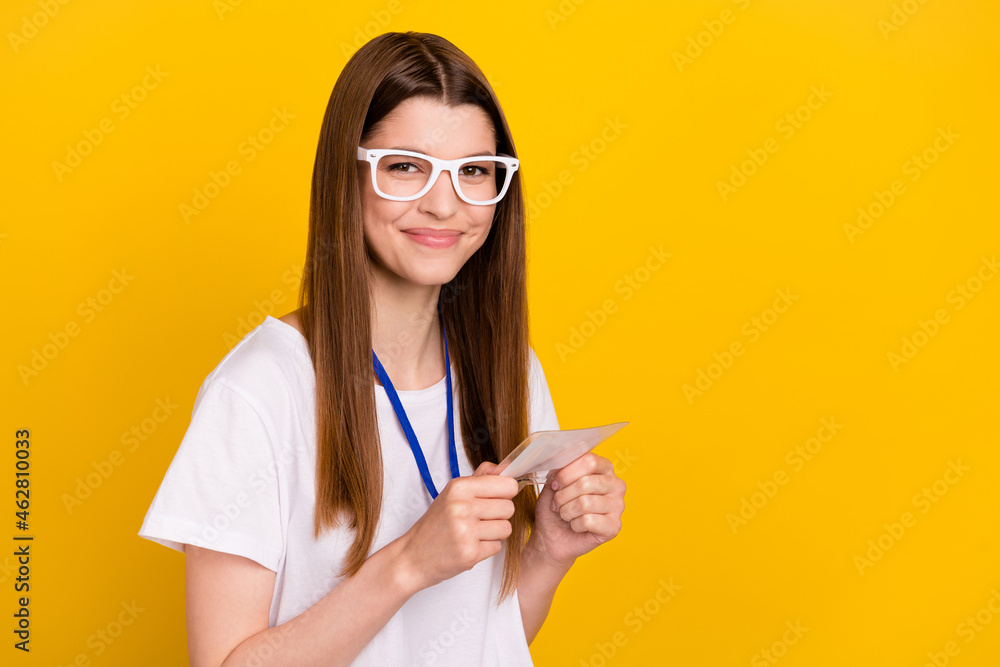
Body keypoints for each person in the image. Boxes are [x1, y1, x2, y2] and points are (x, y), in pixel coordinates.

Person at [138, 31, 626, 666]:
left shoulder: (509, 370)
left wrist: (548, 555)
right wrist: (406, 563)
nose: (445, 203)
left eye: (474, 171)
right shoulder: (261, 390)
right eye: (406, 167)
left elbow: (483, 642)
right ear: (350, 176)